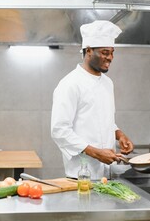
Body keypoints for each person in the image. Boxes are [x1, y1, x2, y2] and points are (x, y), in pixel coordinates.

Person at [51, 20, 134, 180]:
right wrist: (96, 153)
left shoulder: (107, 83)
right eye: (104, 52)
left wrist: (120, 135)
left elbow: (104, 120)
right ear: (88, 51)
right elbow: (59, 131)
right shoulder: (70, 84)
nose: (110, 57)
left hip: (107, 174)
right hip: (81, 175)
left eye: (112, 52)